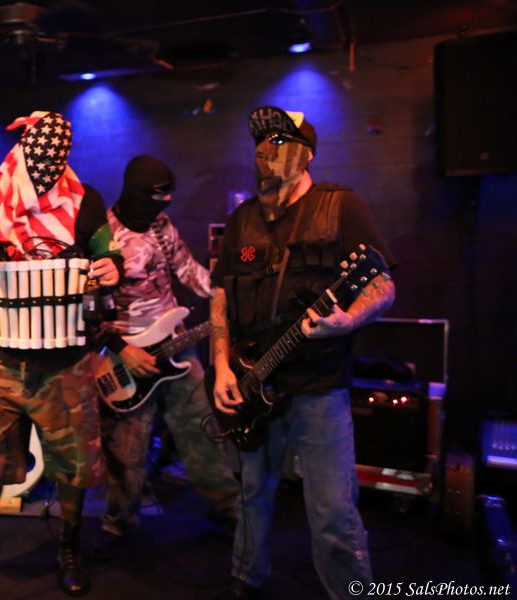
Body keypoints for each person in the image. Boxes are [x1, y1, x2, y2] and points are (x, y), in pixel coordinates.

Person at [210, 106, 396, 600]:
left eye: (279, 142)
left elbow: (382, 285)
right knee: (251, 495)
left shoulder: (341, 206)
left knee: (333, 510)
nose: (265, 152)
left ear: (306, 154)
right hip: (252, 382)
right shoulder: (242, 219)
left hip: (319, 387)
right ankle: (246, 577)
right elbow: (221, 298)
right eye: (260, 143)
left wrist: (348, 320)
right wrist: (222, 365)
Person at [0, 111, 122, 596]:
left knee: (73, 460)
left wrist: (110, 268)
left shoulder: (86, 200)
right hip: (3, 355)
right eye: (36, 163)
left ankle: (70, 545)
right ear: (20, 152)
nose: (42, 176)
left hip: (65, 358)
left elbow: (110, 255)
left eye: (52, 166)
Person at [93, 155, 239, 555]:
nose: (162, 204)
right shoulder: (104, 235)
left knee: (202, 427)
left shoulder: (162, 225)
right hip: (127, 356)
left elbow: (187, 269)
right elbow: (90, 310)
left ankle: (228, 506)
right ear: (136, 192)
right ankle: (118, 522)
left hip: (176, 344)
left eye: (168, 197)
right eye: (156, 197)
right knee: (128, 447)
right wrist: (122, 349)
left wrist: (227, 296)